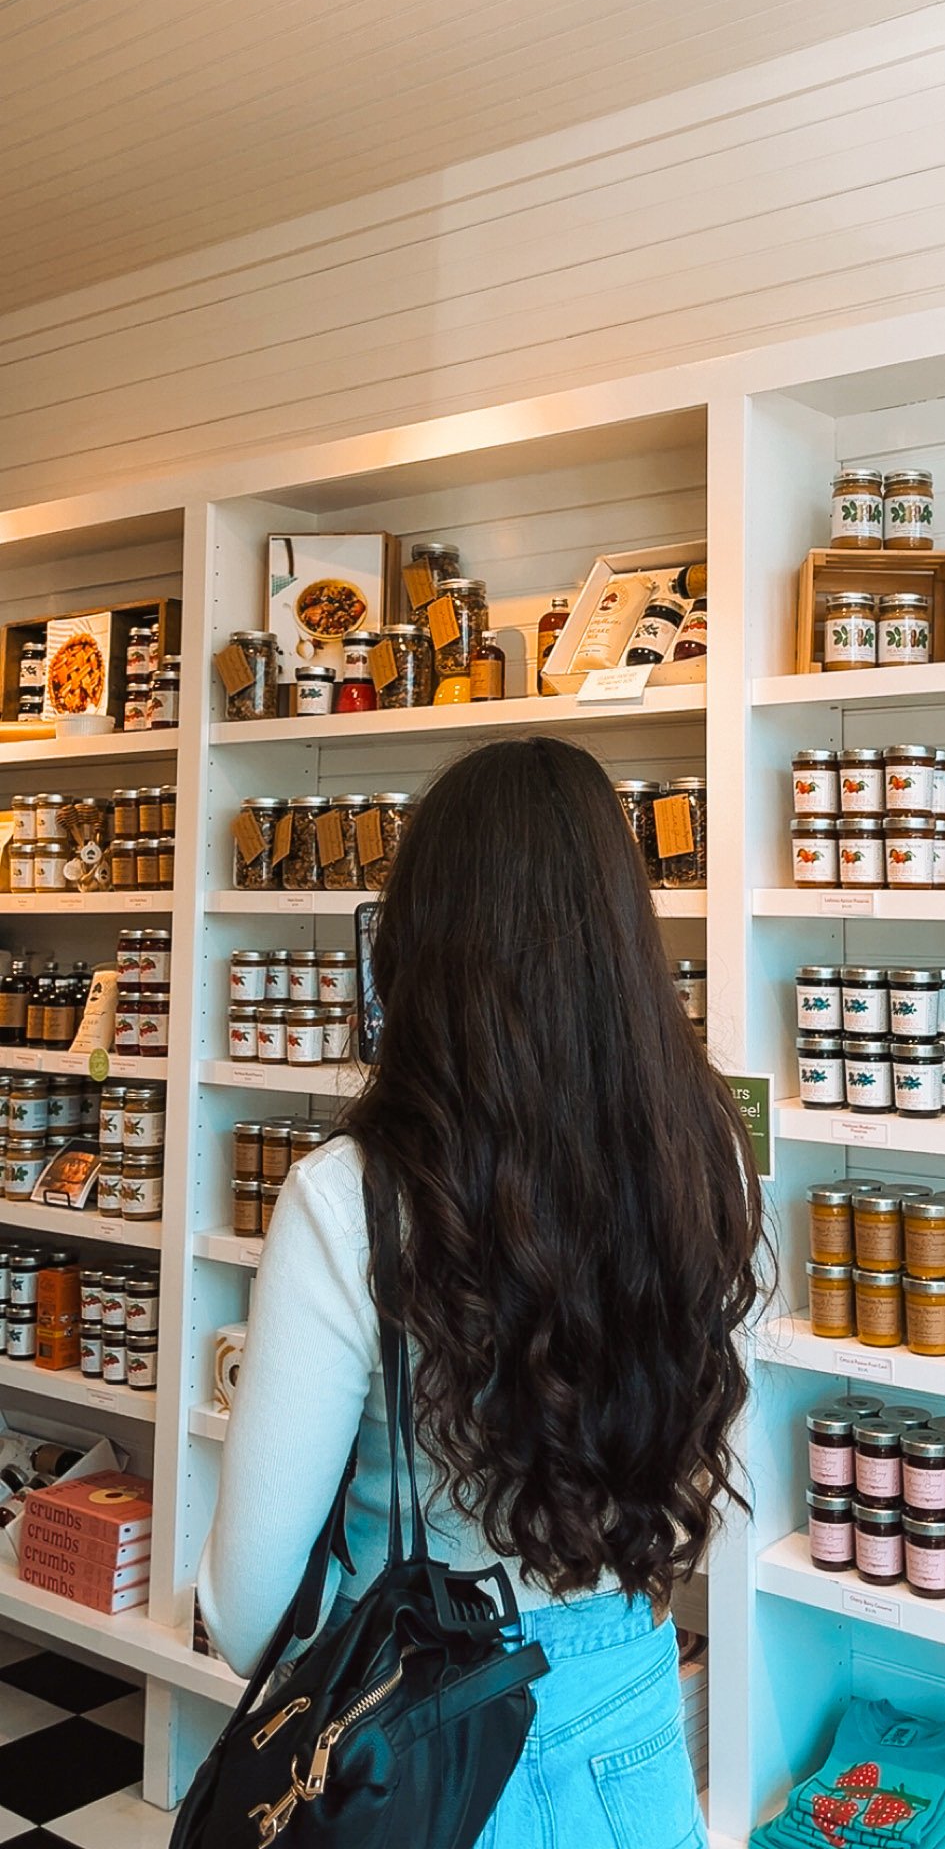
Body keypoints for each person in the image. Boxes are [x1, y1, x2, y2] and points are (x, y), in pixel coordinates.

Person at [199, 734, 763, 1849]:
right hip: (638, 1739)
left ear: (422, 941)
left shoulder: (351, 1196)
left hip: (431, 1764)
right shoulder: (709, 1154)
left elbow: (246, 1613)